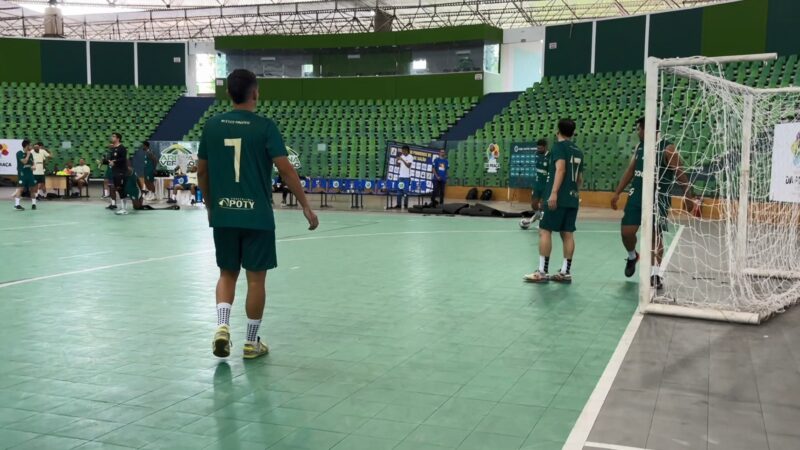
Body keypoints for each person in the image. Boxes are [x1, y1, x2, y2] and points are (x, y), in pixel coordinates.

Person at [197, 68, 318, 360]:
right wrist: (305, 205)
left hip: (224, 214)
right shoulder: (265, 127)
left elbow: (202, 172)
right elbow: (286, 170)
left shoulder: (212, 126)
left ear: (229, 93)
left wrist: (211, 206)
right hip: (257, 216)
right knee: (255, 281)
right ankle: (251, 343)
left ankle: (222, 326)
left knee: (227, 273)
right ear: (255, 93)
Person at [611, 117, 694, 289]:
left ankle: (655, 274)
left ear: (648, 129)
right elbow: (631, 170)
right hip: (637, 194)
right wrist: (617, 192)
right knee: (626, 232)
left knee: (655, 234)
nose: (637, 132)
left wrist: (688, 195)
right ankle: (632, 256)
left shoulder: (668, 149)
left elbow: (680, 173)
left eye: (639, 129)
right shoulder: (640, 146)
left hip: (658, 196)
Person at [524, 119, 583, 284]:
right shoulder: (578, 151)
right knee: (567, 233)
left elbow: (560, 169)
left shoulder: (558, 147)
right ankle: (565, 272)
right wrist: (573, 193)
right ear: (573, 132)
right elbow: (579, 179)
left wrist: (554, 193)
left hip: (557, 198)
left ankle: (542, 271)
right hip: (572, 198)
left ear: (558, 131)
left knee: (544, 230)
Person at [520, 139, 549, 228]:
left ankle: (542, 223)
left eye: (540, 148)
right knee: (534, 204)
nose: (538, 150)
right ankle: (537, 216)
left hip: (546, 184)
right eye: (538, 148)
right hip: (537, 183)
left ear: (545, 147)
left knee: (543, 205)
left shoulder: (550, 156)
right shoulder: (536, 154)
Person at [106, 133, 129, 215]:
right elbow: (111, 160)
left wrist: (114, 162)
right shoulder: (113, 149)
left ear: (118, 138)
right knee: (118, 189)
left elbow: (123, 159)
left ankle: (124, 209)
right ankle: (122, 208)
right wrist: (106, 161)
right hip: (115, 171)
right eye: (112, 136)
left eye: (114, 136)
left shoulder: (122, 148)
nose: (112, 137)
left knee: (121, 189)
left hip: (121, 172)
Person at [13, 140, 37, 211]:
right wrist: (28, 155)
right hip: (22, 173)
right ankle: (17, 205)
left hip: (29, 173)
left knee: (32, 189)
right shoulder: (19, 153)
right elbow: (24, 161)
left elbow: (32, 163)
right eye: (30, 145)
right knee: (21, 188)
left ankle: (34, 204)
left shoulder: (31, 154)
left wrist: (34, 166)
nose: (31, 147)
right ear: (27, 146)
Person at [393, 145, 414, 209]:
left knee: (405, 192)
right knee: (399, 191)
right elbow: (397, 165)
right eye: (402, 151)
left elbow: (408, 166)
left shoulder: (410, 157)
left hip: (407, 177)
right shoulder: (401, 156)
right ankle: (398, 204)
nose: (402, 152)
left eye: (403, 151)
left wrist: (402, 159)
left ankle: (405, 205)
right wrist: (397, 160)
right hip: (401, 177)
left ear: (407, 150)